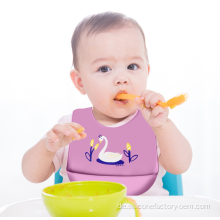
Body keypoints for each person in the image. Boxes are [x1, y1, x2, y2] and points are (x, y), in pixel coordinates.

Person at [22, 11, 192, 196]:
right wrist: (47, 147)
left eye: (132, 66)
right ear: (80, 82)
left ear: (147, 71)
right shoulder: (70, 128)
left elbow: (180, 165)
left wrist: (163, 127)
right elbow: (32, 175)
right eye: (104, 68)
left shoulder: (154, 124)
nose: (122, 78)